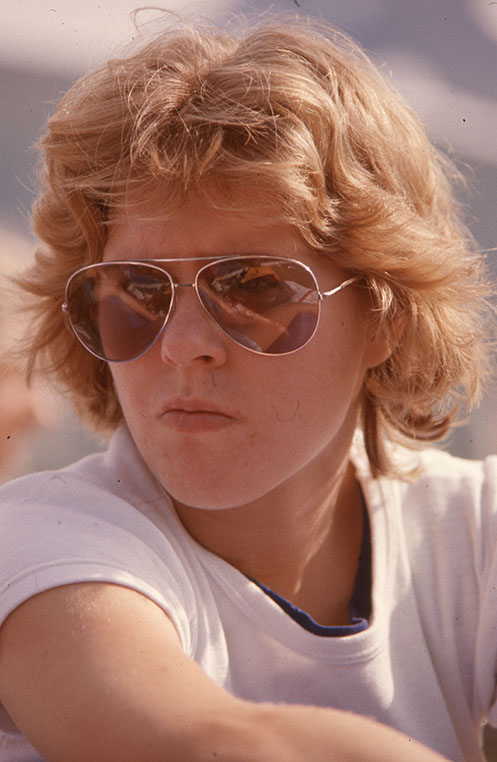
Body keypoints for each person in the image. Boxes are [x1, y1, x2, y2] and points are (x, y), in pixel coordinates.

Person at [0, 13, 494, 762]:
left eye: (255, 286)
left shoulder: (475, 531)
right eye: (136, 291)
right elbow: (208, 746)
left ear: (384, 318)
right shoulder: (40, 541)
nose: (182, 345)